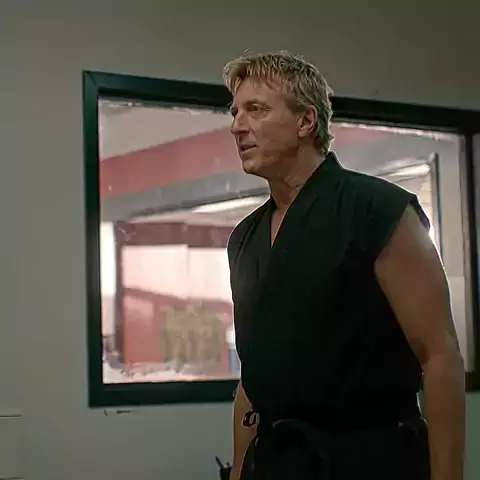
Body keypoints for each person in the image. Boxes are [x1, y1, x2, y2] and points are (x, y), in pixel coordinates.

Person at [222, 51, 465, 480]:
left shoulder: (378, 210)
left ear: (305, 122)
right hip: (279, 462)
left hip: (372, 459)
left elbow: (439, 354)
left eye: (256, 110)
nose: (237, 126)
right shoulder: (245, 238)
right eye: (235, 112)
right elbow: (252, 381)